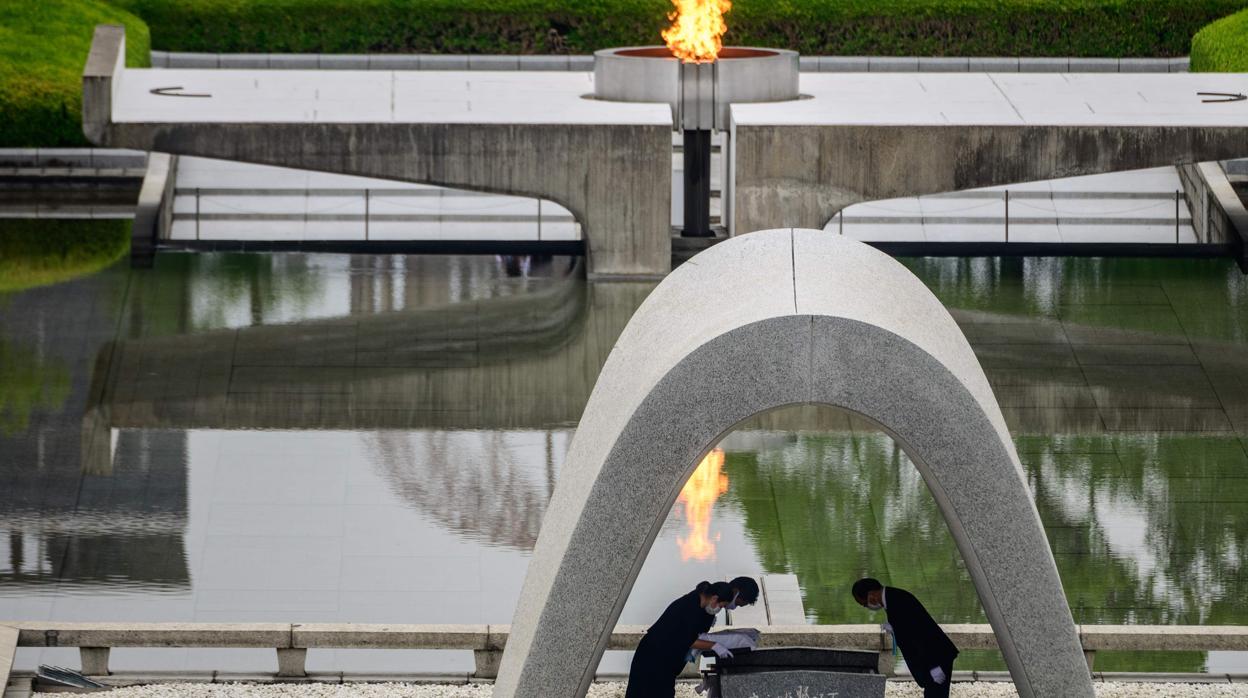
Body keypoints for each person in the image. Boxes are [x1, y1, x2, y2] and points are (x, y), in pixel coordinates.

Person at [625, 581, 736, 698]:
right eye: (722, 606)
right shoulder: (689, 606)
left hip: (665, 661)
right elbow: (687, 640)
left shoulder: (700, 607)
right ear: (714, 598)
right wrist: (714, 645)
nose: (720, 609)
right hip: (653, 657)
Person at [852, 577, 959, 698]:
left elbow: (921, 635)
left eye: (865, 604)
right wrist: (895, 628)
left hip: (936, 657)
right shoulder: (892, 598)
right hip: (931, 657)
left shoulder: (897, 602)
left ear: (871, 595)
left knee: (936, 695)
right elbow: (908, 628)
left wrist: (934, 667)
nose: (867, 607)